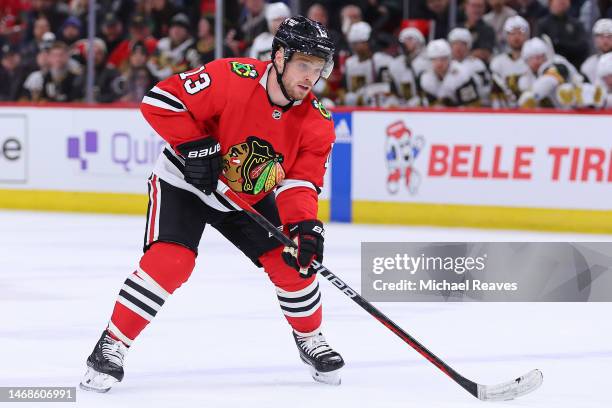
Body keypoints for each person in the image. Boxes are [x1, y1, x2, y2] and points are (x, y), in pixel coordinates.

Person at [79, 15, 344, 393]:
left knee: (294, 261)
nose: (310, 77)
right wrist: (192, 144)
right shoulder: (231, 76)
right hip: (184, 184)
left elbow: (300, 181)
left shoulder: (316, 122)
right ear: (280, 57)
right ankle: (112, 344)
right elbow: (159, 101)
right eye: (304, 64)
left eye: (318, 69)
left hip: (246, 197)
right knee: (171, 261)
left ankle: (311, 337)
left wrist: (303, 224)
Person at [418, 39, 483, 106]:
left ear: (449, 59)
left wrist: (451, 106)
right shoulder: (425, 77)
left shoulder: (462, 76)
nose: (439, 63)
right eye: (434, 59)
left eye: (443, 59)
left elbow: (472, 106)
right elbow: (425, 105)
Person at [490, 16, 530, 106]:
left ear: (527, 35)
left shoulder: (534, 61)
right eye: (512, 33)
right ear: (506, 36)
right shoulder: (498, 63)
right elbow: (496, 96)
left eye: (520, 33)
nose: (516, 37)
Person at [580, 18, 612, 84]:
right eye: (601, 36)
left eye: (609, 36)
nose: (605, 41)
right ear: (595, 39)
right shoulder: (588, 64)